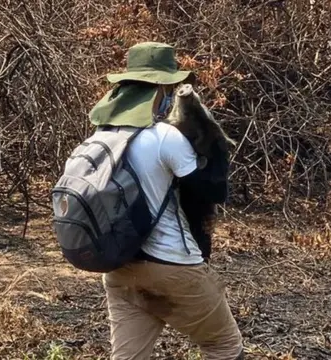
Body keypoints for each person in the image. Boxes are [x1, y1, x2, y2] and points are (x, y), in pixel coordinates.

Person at [88, 42, 244, 359]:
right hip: (172, 266)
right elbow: (212, 192)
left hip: (119, 269)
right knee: (225, 347)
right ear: (162, 86)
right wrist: (214, 149)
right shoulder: (164, 138)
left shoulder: (101, 134)